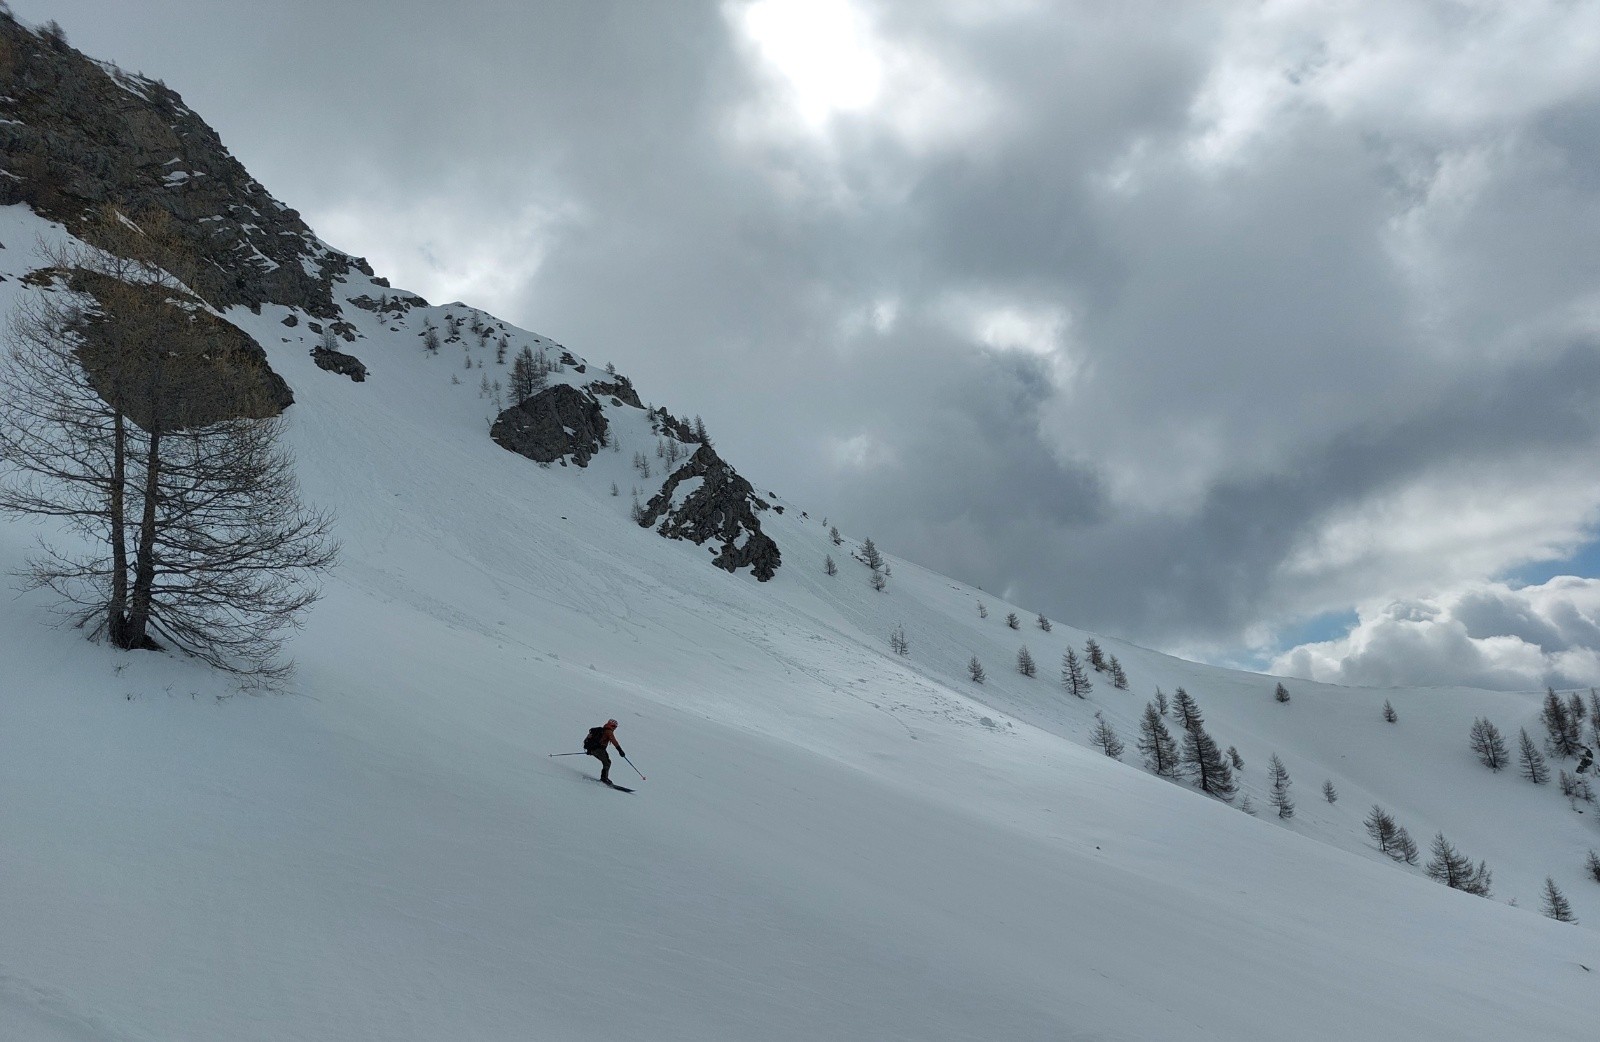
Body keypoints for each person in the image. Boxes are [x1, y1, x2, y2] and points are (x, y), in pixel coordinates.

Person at [583, 719, 626, 785]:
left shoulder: (600, 730)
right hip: (599, 750)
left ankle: (604, 777)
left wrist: (590, 750)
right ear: (613, 726)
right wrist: (620, 751)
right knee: (607, 763)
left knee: (607, 761)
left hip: (593, 750)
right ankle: (604, 778)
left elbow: (589, 739)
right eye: (615, 727)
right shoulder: (609, 731)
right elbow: (614, 741)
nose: (615, 728)